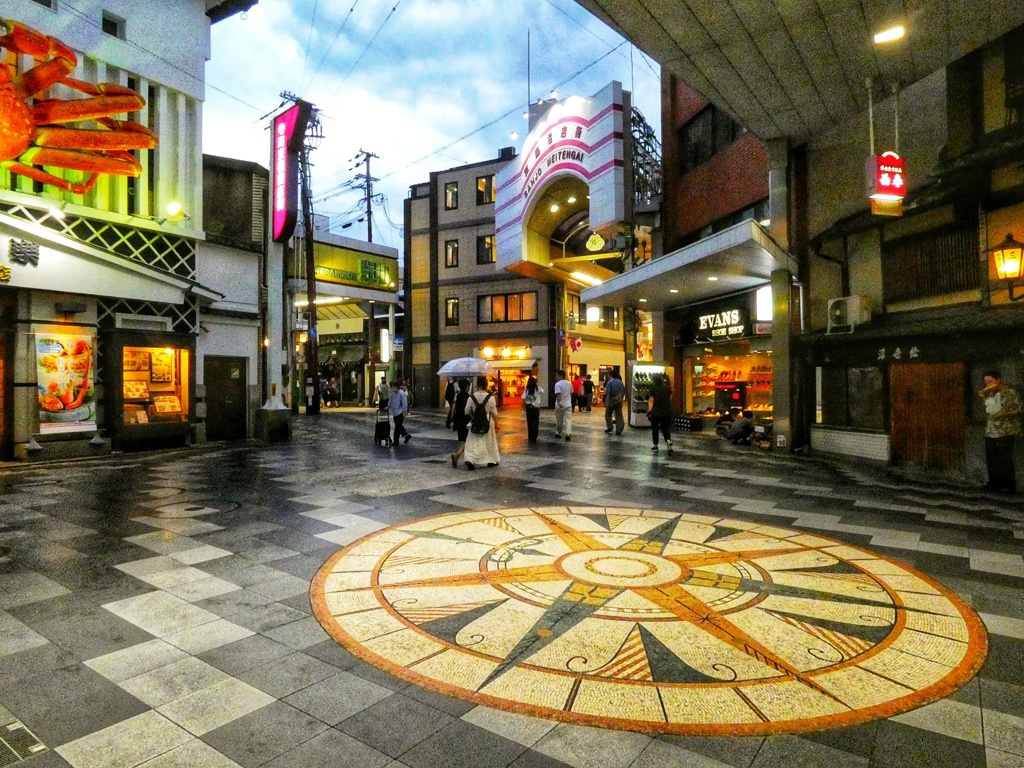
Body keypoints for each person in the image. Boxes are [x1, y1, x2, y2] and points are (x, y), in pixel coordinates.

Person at [980, 370, 1021, 493]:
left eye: (990, 381)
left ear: (998, 380)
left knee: (1005, 458)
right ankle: (994, 483)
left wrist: (1003, 414)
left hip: (1006, 430)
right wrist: (984, 398)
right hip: (992, 430)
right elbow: (989, 410)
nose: (988, 384)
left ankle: (1008, 485)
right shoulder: (990, 393)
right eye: (986, 382)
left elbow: (1017, 410)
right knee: (991, 457)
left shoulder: (1010, 392)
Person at [464, 376, 499, 469]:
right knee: (489, 441)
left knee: (473, 441)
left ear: (477, 385)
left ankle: (470, 460)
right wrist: (497, 425)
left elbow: (466, 411)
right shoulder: (490, 398)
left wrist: (473, 415)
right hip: (487, 421)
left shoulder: (471, 398)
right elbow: (495, 413)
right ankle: (491, 460)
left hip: (475, 421)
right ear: (486, 385)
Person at [646, 372, 673, 452]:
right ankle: (668, 440)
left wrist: (649, 410)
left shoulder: (653, 388)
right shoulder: (667, 388)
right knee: (665, 428)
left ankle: (655, 445)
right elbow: (670, 398)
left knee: (655, 429)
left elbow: (651, 400)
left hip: (656, 411)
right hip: (666, 410)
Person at [449, 379, 472, 467]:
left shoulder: (457, 396)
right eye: (469, 386)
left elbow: (454, 408)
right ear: (467, 386)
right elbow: (469, 410)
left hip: (458, 421)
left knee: (463, 440)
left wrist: (451, 419)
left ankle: (460, 456)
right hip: (466, 421)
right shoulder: (468, 397)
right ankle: (458, 455)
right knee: (468, 440)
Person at [553, 369, 573, 441]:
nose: (556, 377)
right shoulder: (569, 383)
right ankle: (568, 433)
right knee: (568, 420)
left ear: (560, 376)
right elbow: (571, 393)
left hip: (560, 404)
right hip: (568, 404)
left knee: (559, 420)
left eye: (557, 376)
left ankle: (558, 433)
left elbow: (558, 395)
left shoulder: (557, 384)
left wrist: (559, 403)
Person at [388, 380, 411, 444]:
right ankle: (406, 435)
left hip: (400, 412)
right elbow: (390, 402)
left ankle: (396, 441)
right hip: (394, 412)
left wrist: (404, 411)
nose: (392, 388)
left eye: (393, 387)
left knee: (397, 426)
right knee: (398, 426)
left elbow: (404, 403)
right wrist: (388, 407)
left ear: (396, 386)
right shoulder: (392, 394)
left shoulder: (401, 393)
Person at [522, 375, 544, 443]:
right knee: (535, 422)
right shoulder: (538, 389)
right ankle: (535, 436)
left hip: (529, 407)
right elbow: (543, 392)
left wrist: (523, 408)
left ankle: (530, 435)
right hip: (536, 407)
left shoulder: (526, 389)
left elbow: (523, 398)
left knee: (529, 422)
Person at [603, 371, 625, 435]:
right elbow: (622, 392)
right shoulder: (620, 382)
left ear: (611, 375)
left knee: (608, 414)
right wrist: (621, 401)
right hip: (618, 400)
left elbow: (608, 393)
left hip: (611, 401)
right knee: (619, 415)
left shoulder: (610, 382)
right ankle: (619, 429)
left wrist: (606, 402)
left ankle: (610, 427)